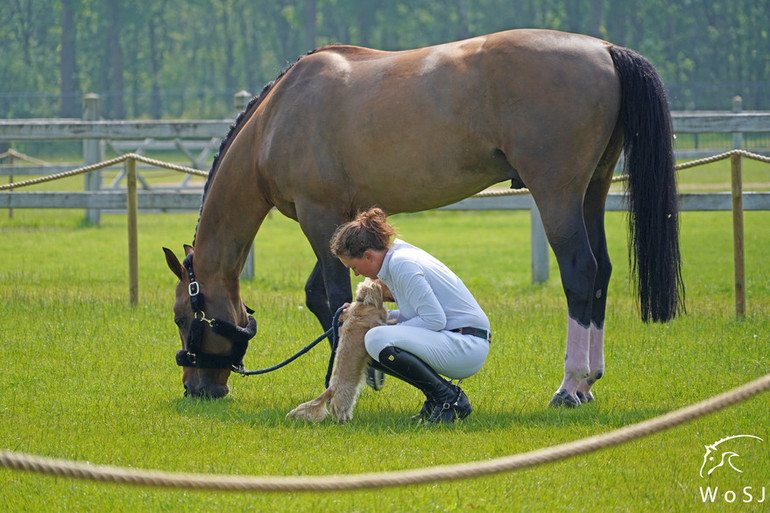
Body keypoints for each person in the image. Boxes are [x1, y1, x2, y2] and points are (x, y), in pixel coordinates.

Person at [330, 207, 490, 423]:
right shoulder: (397, 258)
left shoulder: (401, 264)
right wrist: (357, 317)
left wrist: (379, 328)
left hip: (465, 345)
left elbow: (434, 320)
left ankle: (448, 399)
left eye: (354, 267)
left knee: (375, 338)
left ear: (368, 256)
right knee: (370, 335)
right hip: (455, 338)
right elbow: (418, 317)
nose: (356, 274)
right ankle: (436, 398)